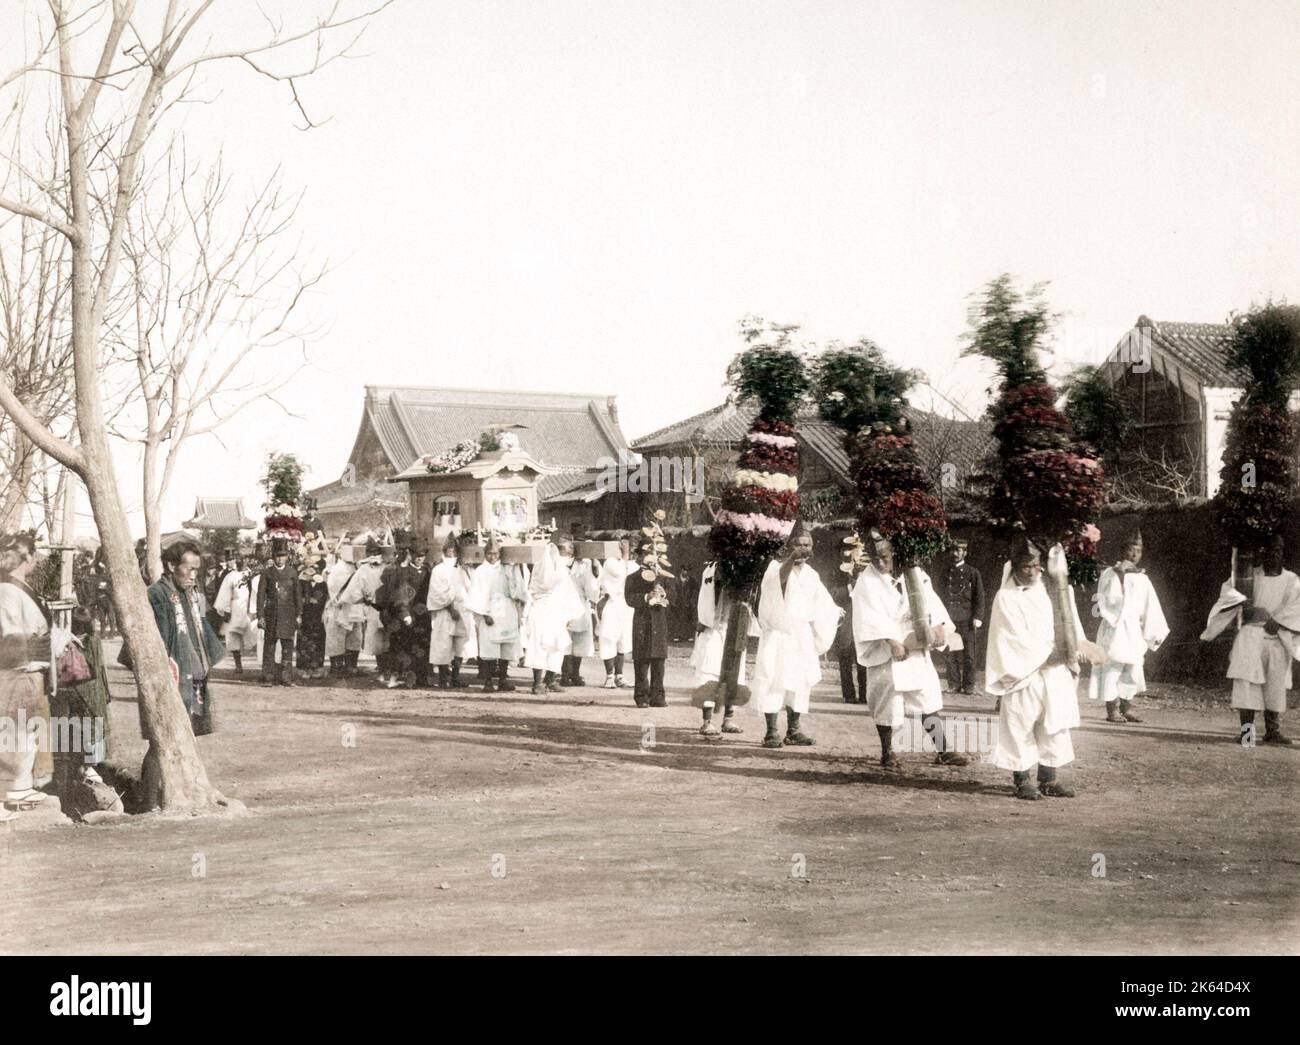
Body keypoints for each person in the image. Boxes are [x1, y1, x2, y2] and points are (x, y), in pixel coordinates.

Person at [852, 531, 968, 770]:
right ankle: (888, 751)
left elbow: (931, 601)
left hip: (915, 646)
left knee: (927, 698)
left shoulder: (914, 574)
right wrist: (890, 641)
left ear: (894, 553)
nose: (880, 563)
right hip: (888, 650)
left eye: (884, 557)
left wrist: (938, 627)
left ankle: (943, 749)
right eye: (875, 558)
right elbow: (867, 614)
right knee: (887, 701)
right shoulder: (867, 580)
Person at [986, 538, 1086, 800]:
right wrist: (1045, 655)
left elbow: (1068, 620)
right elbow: (1009, 637)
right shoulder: (1005, 598)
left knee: (1054, 722)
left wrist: (1071, 650)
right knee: (1021, 722)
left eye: (1035, 566)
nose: (1031, 572)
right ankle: (1022, 779)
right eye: (1025, 567)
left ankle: (1048, 778)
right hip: (1023, 673)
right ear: (1014, 566)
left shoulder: (1050, 590)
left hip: (1054, 670)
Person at [1201, 534, 1300, 745]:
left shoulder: (1291, 580)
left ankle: (1273, 731)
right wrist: (1244, 603)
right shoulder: (1248, 576)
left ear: (1283, 553)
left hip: (1276, 638)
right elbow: (1229, 591)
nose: (1273, 553)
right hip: (1250, 636)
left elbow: (1297, 607)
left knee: (1275, 686)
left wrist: (1278, 621)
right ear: (1260, 552)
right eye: (1268, 549)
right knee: (1246, 686)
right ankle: (1247, 733)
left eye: (1278, 550)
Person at [751, 524, 840, 749]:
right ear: (789, 546)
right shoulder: (776, 567)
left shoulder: (812, 574)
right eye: (799, 544)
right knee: (774, 678)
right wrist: (791, 560)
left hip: (801, 635)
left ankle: (794, 730)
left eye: (807, 545)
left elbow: (823, 602)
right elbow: (778, 582)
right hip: (779, 632)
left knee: (800, 682)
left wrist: (834, 612)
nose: (803, 548)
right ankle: (771, 732)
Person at [0, 532, 54, 819]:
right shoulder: (8, 591)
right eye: (34, 554)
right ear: (27, 557)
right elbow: (11, 636)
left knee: (24, 731)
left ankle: (19, 786)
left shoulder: (16, 589)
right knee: (10, 732)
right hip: (15, 668)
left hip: (26, 667)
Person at [1089, 530, 1168, 723]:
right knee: (1112, 667)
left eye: (1138, 551)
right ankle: (1112, 710)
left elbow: (1151, 605)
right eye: (1130, 550)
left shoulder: (1142, 578)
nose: (1134, 555)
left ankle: (1126, 708)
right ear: (1122, 550)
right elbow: (1107, 599)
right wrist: (1121, 574)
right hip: (1115, 626)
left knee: (1132, 669)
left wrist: (1152, 629)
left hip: (1133, 629)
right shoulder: (1109, 573)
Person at [148, 540, 225, 736]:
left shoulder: (190, 592)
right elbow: (158, 641)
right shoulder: (158, 593)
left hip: (194, 672)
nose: (193, 576)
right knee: (169, 734)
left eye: (196, 570)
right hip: (174, 672)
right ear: (172, 566)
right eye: (189, 569)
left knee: (189, 733)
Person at [690, 560, 751, 737]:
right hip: (714, 627)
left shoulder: (747, 567)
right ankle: (707, 721)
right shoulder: (713, 568)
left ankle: (729, 718)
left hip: (735, 625)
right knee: (711, 672)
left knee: (735, 671)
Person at [522, 537, 585, 694]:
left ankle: (550, 680)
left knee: (558, 646)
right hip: (541, 611)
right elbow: (546, 583)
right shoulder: (542, 567)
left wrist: (570, 615)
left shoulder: (562, 570)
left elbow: (568, 592)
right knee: (540, 646)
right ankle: (537, 684)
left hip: (557, 612)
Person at [465, 537, 528, 691]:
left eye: (495, 554)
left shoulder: (506, 568)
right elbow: (476, 594)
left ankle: (502, 679)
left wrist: (514, 569)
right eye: (489, 554)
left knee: (506, 646)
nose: (493, 557)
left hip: (507, 611)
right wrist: (484, 614)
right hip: (489, 611)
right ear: (485, 554)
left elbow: (517, 590)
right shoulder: (480, 571)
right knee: (488, 648)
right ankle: (487, 681)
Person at [375, 535, 423, 688]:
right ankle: (396, 676)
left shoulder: (394, 569)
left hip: (396, 613)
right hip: (398, 613)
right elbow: (398, 595)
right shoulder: (396, 571)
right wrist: (404, 613)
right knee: (399, 645)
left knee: (399, 645)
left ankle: (401, 676)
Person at [624, 551, 671, 709]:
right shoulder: (633, 577)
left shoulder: (663, 576)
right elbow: (629, 599)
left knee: (659, 661)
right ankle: (641, 696)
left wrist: (665, 594)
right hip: (642, 622)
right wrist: (646, 597)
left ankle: (658, 696)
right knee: (642, 661)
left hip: (659, 622)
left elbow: (675, 595)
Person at [939, 537, 984, 694]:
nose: (955, 553)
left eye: (959, 550)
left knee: (969, 655)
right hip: (950, 619)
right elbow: (940, 596)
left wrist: (978, 617)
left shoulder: (972, 573)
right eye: (953, 550)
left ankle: (969, 686)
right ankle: (954, 684)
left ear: (965, 553)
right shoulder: (946, 572)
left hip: (967, 619)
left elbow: (979, 596)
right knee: (951, 654)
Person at [427, 535, 471, 689]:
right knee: (443, 645)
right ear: (444, 550)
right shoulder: (438, 569)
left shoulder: (462, 568)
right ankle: (443, 678)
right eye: (449, 550)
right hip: (445, 612)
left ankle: (455, 677)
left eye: (454, 550)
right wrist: (450, 608)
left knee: (460, 646)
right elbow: (436, 592)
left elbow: (469, 588)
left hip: (462, 611)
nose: (451, 553)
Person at [257, 537, 302, 686]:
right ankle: (268, 677)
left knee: (287, 646)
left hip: (288, 615)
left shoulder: (292, 573)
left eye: (283, 556)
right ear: (273, 557)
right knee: (269, 645)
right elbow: (260, 595)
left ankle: (286, 677)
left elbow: (297, 595)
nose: (280, 559)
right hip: (271, 614)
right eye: (277, 556)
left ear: (287, 557)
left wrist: (299, 614)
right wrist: (260, 615)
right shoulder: (267, 573)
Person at [595, 539, 633, 689]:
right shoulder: (610, 562)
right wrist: (625, 554)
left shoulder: (627, 562)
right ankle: (609, 676)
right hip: (611, 604)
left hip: (625, 605)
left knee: (622, 642)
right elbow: (620, 573)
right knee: (609, 639)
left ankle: (619, 676)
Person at [213, 552, 259, 675]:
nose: (239, 561)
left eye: (241, 559)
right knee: (233, 637)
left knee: (254, 634)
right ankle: (238, 665)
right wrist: (226, 610)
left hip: (250, 607)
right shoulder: (230, 576)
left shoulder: (252, 574)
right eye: (237, 559)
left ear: (246, 560)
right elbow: (225, 593)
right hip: (235, 608)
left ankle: (258, 664)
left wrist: (255, 609)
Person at [324, 541, 364, 678]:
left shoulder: (357, 567)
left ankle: (351, 666)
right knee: (336, 637)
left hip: (354, 607)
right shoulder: (337, 568)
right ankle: (336, 667)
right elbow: (332, 586)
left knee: (355, 637)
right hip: (339, 607)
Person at [561, 549, 600, 686]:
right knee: (565, 640)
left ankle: (574, 674)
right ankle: (565, 674)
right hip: (563, 604)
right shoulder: (562, 561)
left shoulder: (587, 564)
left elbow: (591, 588)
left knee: (580, 640)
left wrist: (595, 570)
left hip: (579, 604)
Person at [833, 554, 866, 704]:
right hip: (846, 627)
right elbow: (832, 594)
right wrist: (850, 585)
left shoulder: (867, 578)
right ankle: (849, 695)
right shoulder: (837, 576)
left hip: (863, 627)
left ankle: (865, 694)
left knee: (864, 663)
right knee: (845, 662)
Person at [297, 556, 330, 681]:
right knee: (304, 641)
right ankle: (304, 668)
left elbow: (325, 600)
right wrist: (298, 614)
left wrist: (323, 613)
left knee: (318, 641)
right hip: (305, 615)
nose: (311, 571)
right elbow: (297, 599)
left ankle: (317, 667)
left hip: (318, 616)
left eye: (313, 568)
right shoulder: (300, 583)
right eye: (308, 568)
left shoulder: (322, 584)